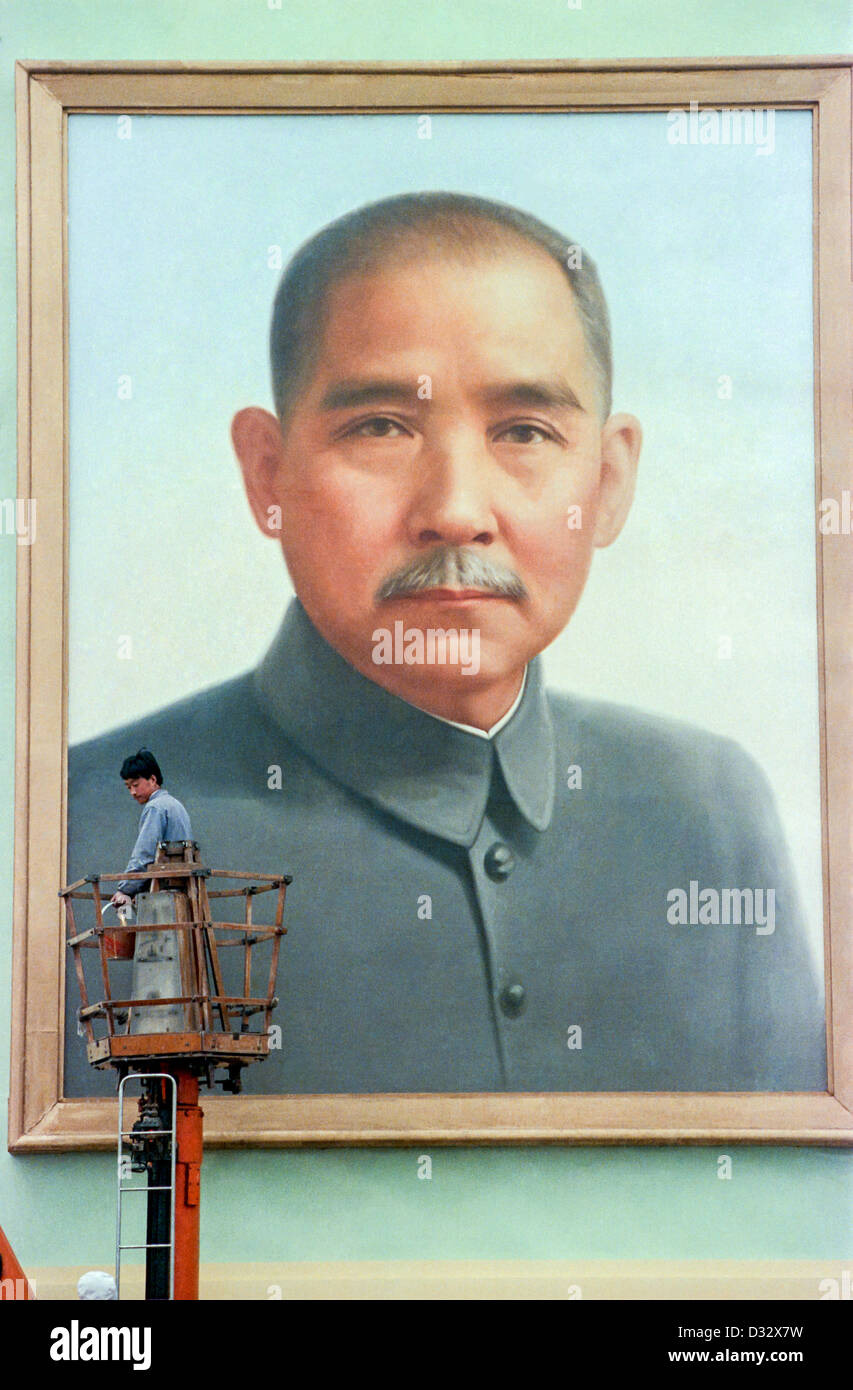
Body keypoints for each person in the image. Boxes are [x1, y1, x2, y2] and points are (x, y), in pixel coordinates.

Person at [68, 192, 826, 1096]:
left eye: (523, 431)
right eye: (380, 427)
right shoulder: (75, 821)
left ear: (610, 477)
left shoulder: (706, 804)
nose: (456, 511)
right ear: (266, 473)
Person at [109, 749, 193, 908]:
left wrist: (125, 889)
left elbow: (144, 854)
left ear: (153, 779)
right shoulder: (175, 805)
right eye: (128, 787)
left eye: (135, 785)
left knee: (127, 918)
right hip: (183, 890)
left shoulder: (155, 807)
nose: (133, 792)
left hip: (164, 892)